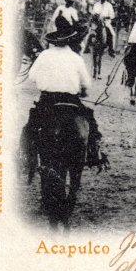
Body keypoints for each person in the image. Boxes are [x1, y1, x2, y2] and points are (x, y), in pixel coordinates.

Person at [22, 22, 107, 169]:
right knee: (91, 124)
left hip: (48, 100)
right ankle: (94, 154)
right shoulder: (76, 58)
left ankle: (25, 157)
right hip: (70, 101)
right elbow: (86, 83)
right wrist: (81, 89)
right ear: (70, 41)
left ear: (53, 42)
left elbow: (32, 76)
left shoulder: (44, 55)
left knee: (30, 127)